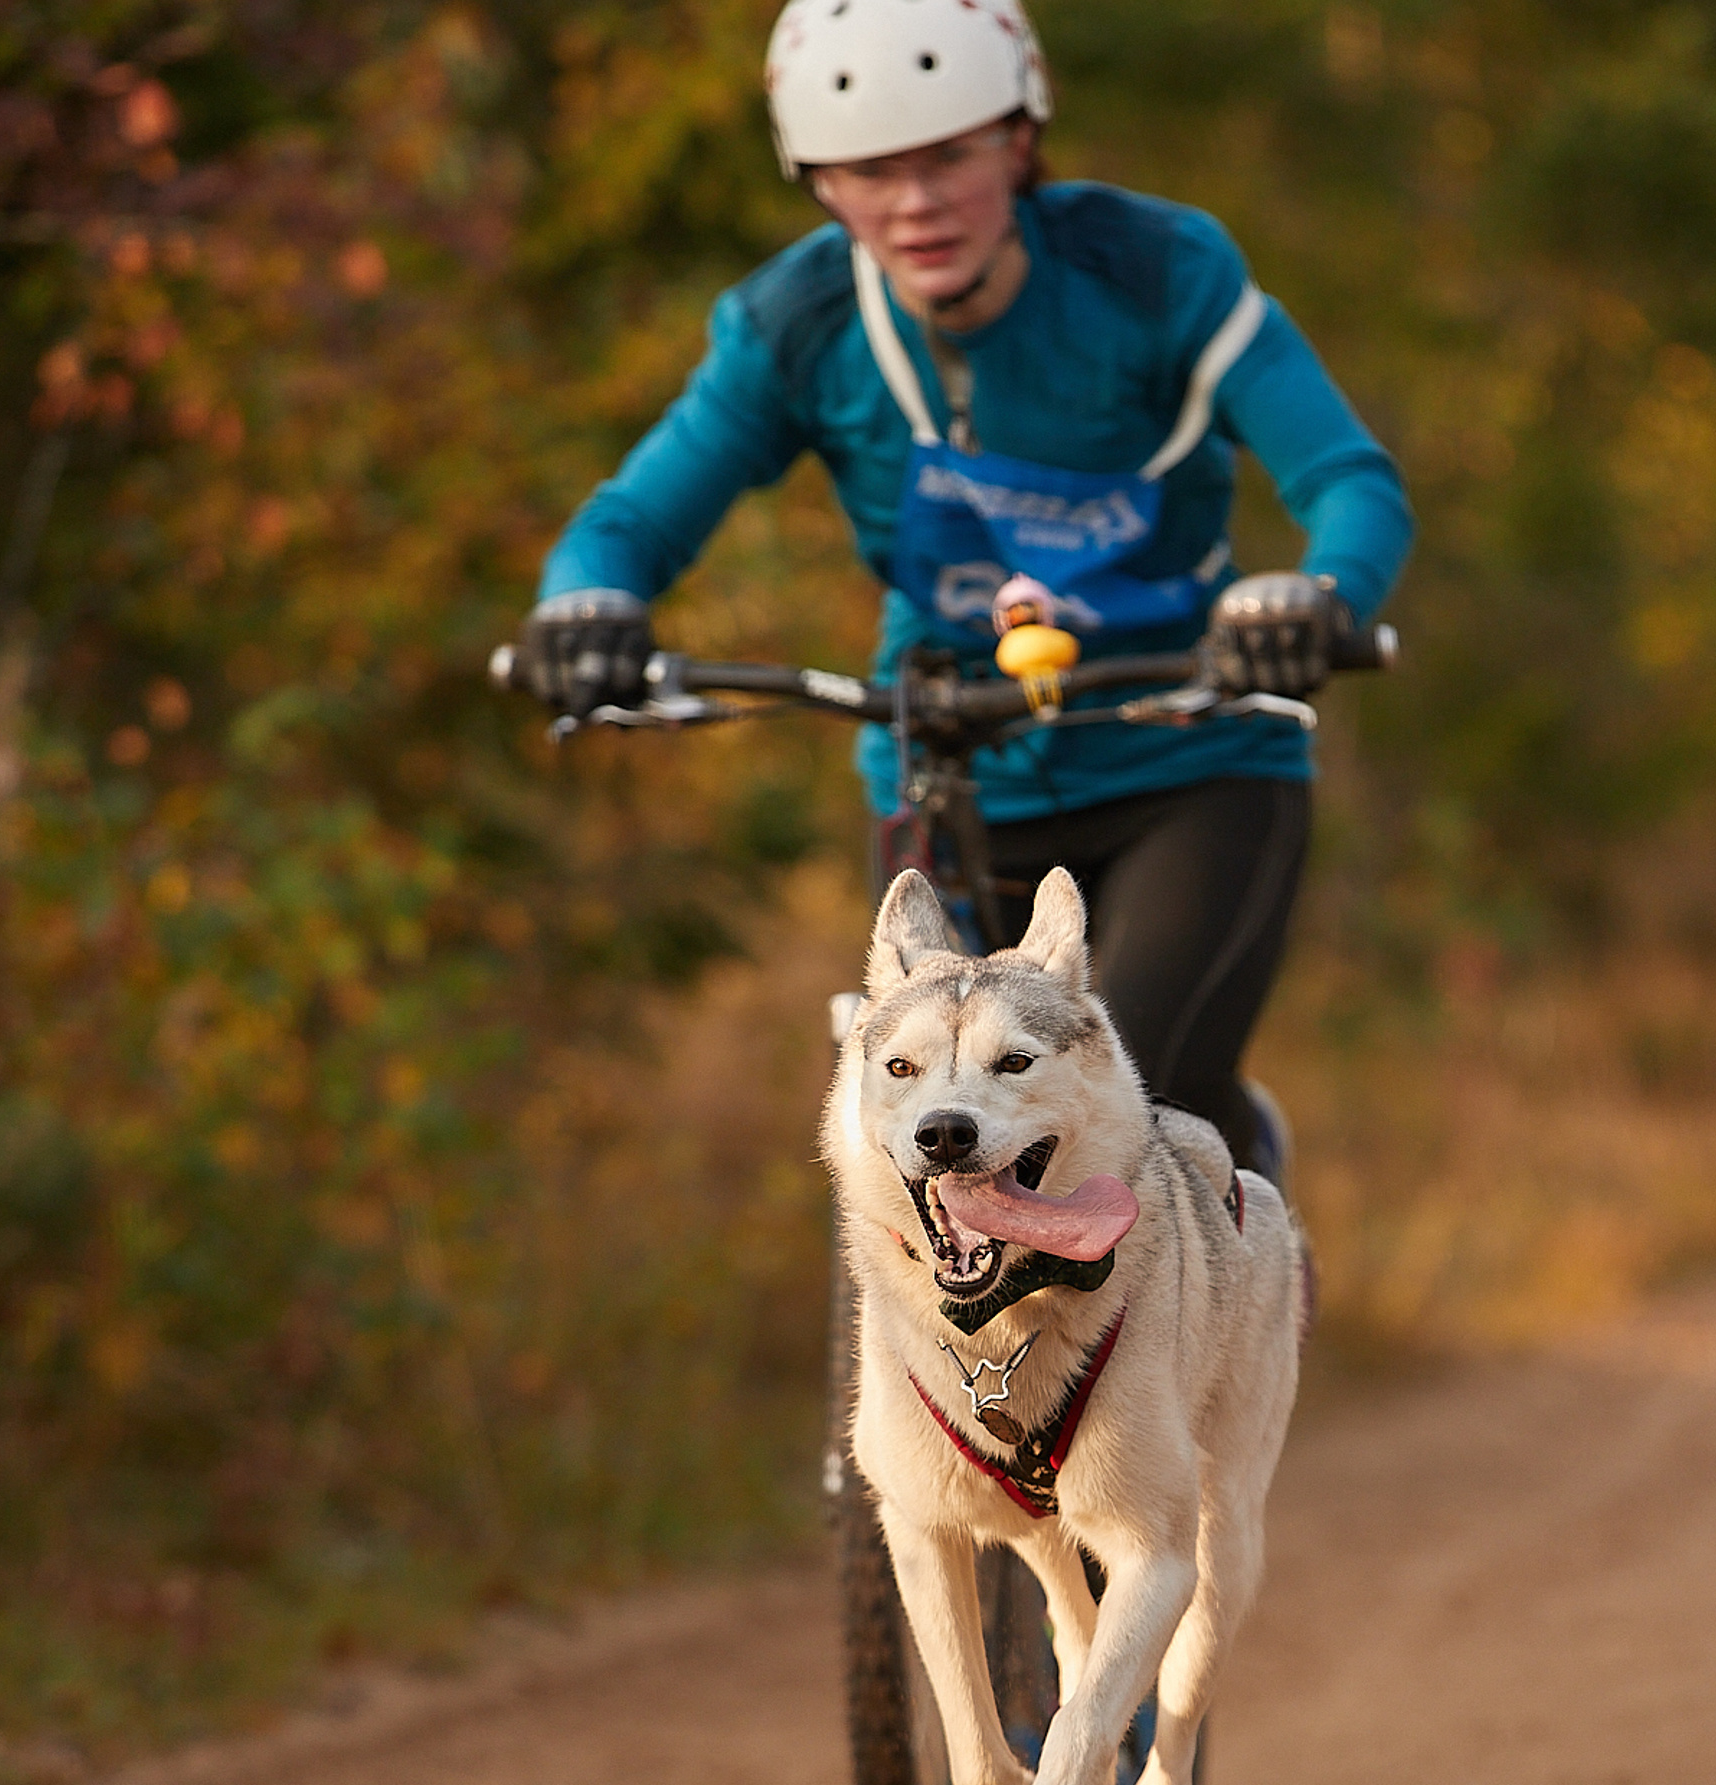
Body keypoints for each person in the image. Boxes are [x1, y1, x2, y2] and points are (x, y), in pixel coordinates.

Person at [508, 0, 1412, 1184]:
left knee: (1125, 1105)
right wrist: (588, 604)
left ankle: (1220, 1167)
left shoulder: (1156, 274)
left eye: (949, 157)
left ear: (1020, 144)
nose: (916, 202)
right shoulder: (797, 326)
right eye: (871, 171)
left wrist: (1315, 597)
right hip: (943, 763)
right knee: (936, 1118)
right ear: (819, 183)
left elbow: (1348, 480)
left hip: (1189, 759)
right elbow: (629, 523)